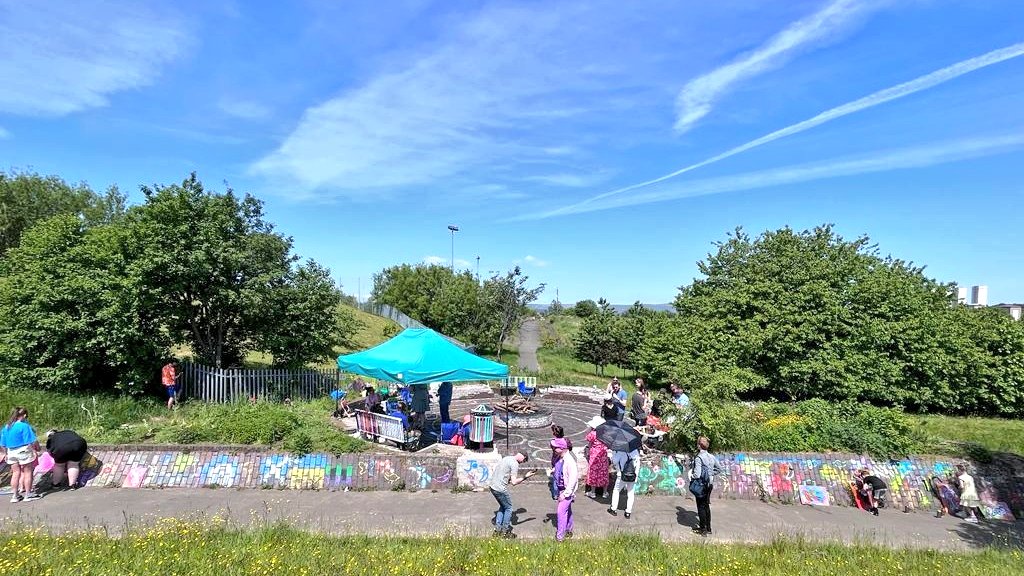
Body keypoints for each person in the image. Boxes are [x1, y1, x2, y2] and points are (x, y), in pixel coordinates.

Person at [489, 451, 537, 538]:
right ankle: (505, 532)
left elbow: (506, 476)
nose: (522, 462)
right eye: (524, 461)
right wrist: (525, 477)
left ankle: (497, 530)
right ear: (523, 457)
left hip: (492, 486)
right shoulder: (515, 464)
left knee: (503, 507)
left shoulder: (506, 458)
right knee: (509, 508)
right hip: (500, 489)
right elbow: (514, 482)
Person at [1, 407, 42, 502]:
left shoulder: (6, 427)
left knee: (15, 473)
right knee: (28, 472)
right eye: (26, 416)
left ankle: (15, 496)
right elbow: (32, 441)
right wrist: (36, 449)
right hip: (23, 450)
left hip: (11, 451)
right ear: (23, 415)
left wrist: (6, 453)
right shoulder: (24, 426)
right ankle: (28, 494)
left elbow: (3, 444)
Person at [691, 436, 722, 535]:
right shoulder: (711, 457)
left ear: (699, 445)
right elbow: (719, 469)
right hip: (710, 484)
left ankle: (702, 529)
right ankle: (709, 528)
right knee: (706, 506)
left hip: (701, 485)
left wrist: (691, 476)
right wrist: (710, 474)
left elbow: (697, 474)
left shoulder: (699, 458)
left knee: (700, 506)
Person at [552, 439, 578, 542]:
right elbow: (560, 469)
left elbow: (573, 479)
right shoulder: (560, 458)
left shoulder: (570, 461)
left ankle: (560, 537)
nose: (553, 449)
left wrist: (566, 494)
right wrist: (553, 471)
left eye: (555, 447)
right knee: (568, 510)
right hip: (561, 488)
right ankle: (569, 529)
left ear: (562, 448)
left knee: (561, 512)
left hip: (566, 491)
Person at [608, 447, 641, 519]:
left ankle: (613, 509)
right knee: (630, 493)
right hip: (632, 476)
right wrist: (636, 476)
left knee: (616, 491)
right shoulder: (635, 451)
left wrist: (613, 454)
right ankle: (628, 512)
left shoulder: (621, 451)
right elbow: (638, 464)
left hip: (622, 475)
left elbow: (614, 462)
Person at [584, 416, 610, 499]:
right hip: (603, 454)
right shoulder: (605, 434)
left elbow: (589, 443)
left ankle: (593, 492)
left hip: (594, 455)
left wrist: (588, 453)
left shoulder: (592, 434)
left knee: (593, 472)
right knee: (604, 472)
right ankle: (605, 492)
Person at [548, 425, 573, 500]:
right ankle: (564, 492)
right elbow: (570, 448)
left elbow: (553, 447)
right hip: (564, 460)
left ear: (554, 434)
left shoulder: (553, 442)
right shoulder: (566, 441)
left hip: (556, 461)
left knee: (556, 478)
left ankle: (556, 494)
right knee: (565, 476)